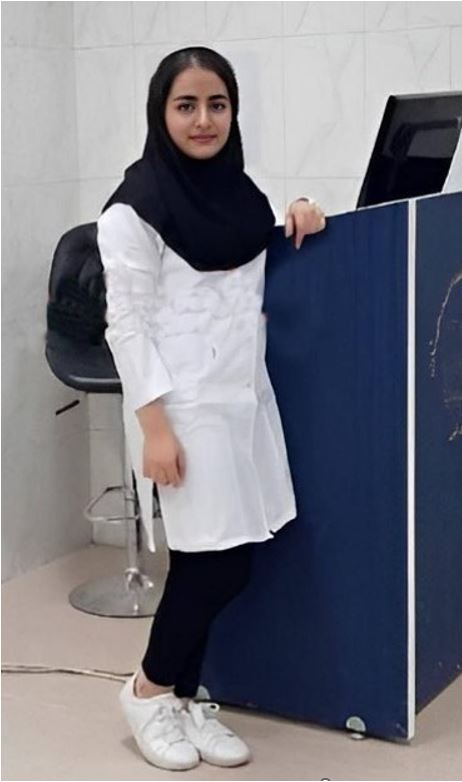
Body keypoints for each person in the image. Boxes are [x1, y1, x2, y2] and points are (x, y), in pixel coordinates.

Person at [96, 46, 327, 772]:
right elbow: (127, 327)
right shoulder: (132, 211)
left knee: (232, 558)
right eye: (186, 105)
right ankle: (146, 691)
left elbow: (251, 254)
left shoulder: (239, 194)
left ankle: (183, 698)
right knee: (211, 567)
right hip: (183, 409)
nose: (204, 120)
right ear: (159, 113)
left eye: (217, 104)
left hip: (242, 399)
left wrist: (296, 213)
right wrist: (154, 429)